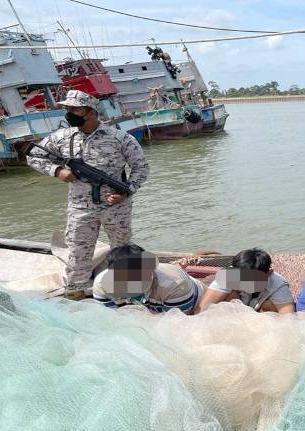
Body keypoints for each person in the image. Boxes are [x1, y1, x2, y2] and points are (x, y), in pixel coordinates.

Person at [26, 90, 149, 301]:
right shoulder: (62, 138)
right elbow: (33, 155)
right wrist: (57, 171)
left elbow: (141, 168)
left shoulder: (120, 138)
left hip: (116, 207)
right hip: (80, 207)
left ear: (90, 112)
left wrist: (127, 191)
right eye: (67, 109)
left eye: (74, 109)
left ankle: (125, 297)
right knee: (78, 252)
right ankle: (75, 294)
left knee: (121, 251)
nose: (68, 113)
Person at [92, 244, 205, 313]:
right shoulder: (101, 285)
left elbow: (173, 326)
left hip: (192, 303)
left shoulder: (176, 285)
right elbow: (112, 319)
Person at [194, 248, 295, 315]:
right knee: (226, 297)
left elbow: (289, 320)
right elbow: (202, 309)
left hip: (260, 316)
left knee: (269, 306)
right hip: (237, 313)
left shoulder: (279, 285)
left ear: (269, 274)